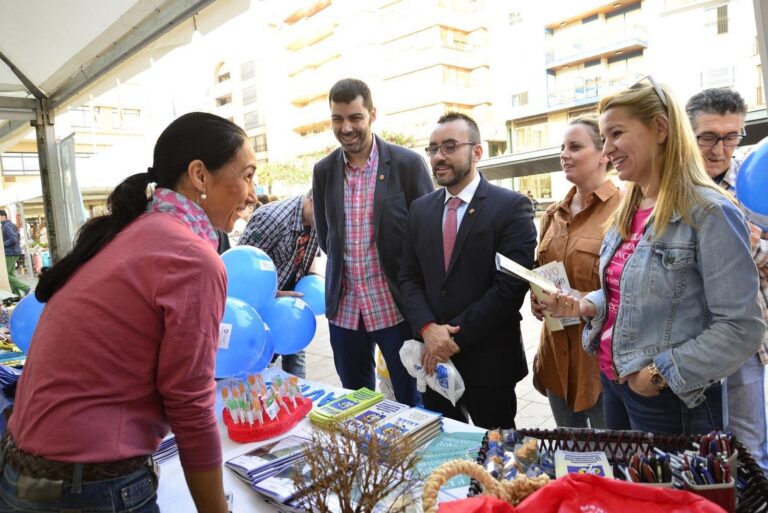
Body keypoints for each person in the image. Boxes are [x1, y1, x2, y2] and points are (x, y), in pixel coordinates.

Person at [1, 112, 256, 513]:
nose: (252, 193)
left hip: (26, 474)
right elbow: (189, 401)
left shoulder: (131, 231)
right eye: (248, 174)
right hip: (88, 488)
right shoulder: (192, 256)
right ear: (199, 175)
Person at [542, 77, 765, 435]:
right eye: (605, 137)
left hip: (671, 399)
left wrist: (657, 375)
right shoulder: (632, 206)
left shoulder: (710, 212)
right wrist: (585, 305)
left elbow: (742, 328)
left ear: (660, 128)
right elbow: (632, 293)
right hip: (616, 383)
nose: (608, 149)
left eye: (616, 134)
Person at [399, 112, 537, 428]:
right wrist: (427, 329)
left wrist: (451, 338)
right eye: (432, 149)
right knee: (446, 452)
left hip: (488, 363)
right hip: (432, 361)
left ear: (477, 151)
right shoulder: (420, 209)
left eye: (449, 146)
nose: (439, 156)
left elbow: (509, 288)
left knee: (499, 457)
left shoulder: (511, 207)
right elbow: (408, 277)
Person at [313, 78, 434, 406]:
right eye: (338, 119)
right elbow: (327, 238)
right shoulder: (323, 170)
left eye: (355, 117)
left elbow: (428, 236)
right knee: (356, 402)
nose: (346, 128)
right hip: (345, 311)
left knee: (412, 401)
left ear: (372, 114)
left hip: (394, 308)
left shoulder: (406, 164)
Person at [686, 87, 768, 472]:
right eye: (708, 137)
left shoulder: (756, 182)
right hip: (687, 340)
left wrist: (756, 249)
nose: (720, 149)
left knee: (750, 446)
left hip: (742, 341)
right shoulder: (673, 190)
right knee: (696, 447)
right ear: (688, 134)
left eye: (731, 136)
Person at [530, 117, 622, 428]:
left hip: (599, 364)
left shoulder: (625, 211)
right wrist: (536, 296)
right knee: (569, 455)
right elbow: (543, 270)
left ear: (604, 154)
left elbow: (630, 289)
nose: (564, 154)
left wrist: (581, 300)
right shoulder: (554, 214)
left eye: (575, 147)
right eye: (562, 147)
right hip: (557, 359)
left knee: (610, 458)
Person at [238, 189, 319, 378]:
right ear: (312, 201)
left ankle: (298, 400)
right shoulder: (272, 219)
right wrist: (272, 294)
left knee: (296, 356)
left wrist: (312, 277)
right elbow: (242, 266)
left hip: (291, 308)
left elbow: (310, 251)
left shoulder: (318, 220)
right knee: (257, 367)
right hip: (260, 309)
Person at [0, 210, 30, 298]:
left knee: (5, 275)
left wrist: (2, 244)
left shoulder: (6, 226)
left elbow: (13, 239)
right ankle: (16, 294)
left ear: (2, 216)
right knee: (11, 274)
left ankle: (25, 287)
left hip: (10, 253)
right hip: (13, 252)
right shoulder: (10, 225)